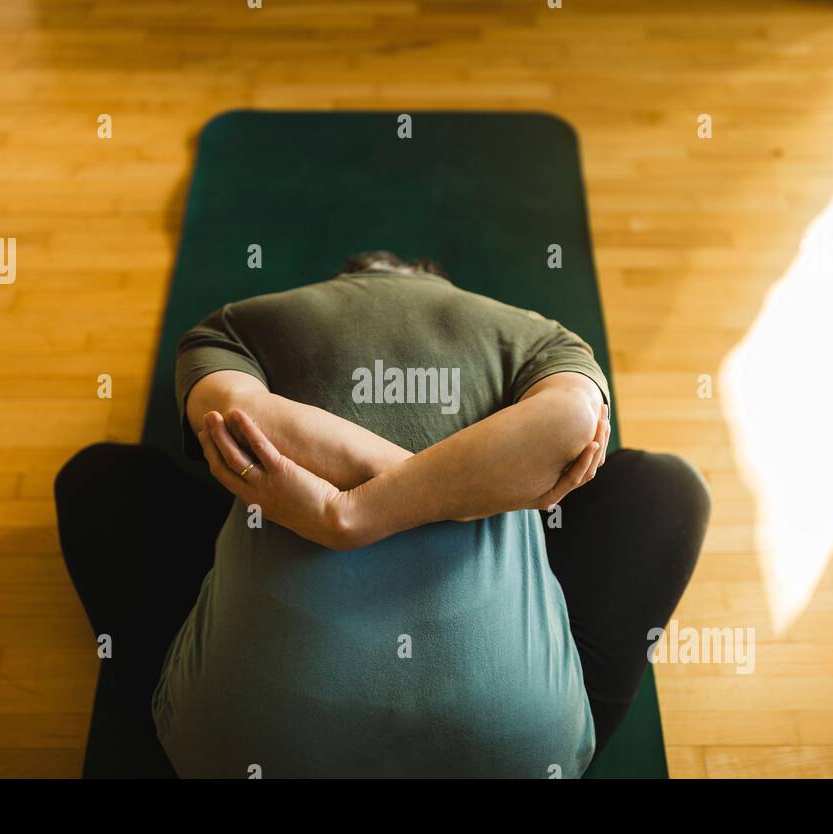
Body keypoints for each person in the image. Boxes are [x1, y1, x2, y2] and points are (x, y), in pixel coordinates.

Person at [55, 251, 710, 778]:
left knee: (100, 477)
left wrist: (347, 514)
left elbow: (236, 420)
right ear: (432, 280)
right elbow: (572, 420)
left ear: (347, 276)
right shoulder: (534, 332)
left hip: (240, 742)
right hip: (516, 750)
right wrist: (474, 480)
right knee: (666, 486)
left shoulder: (236, 324)